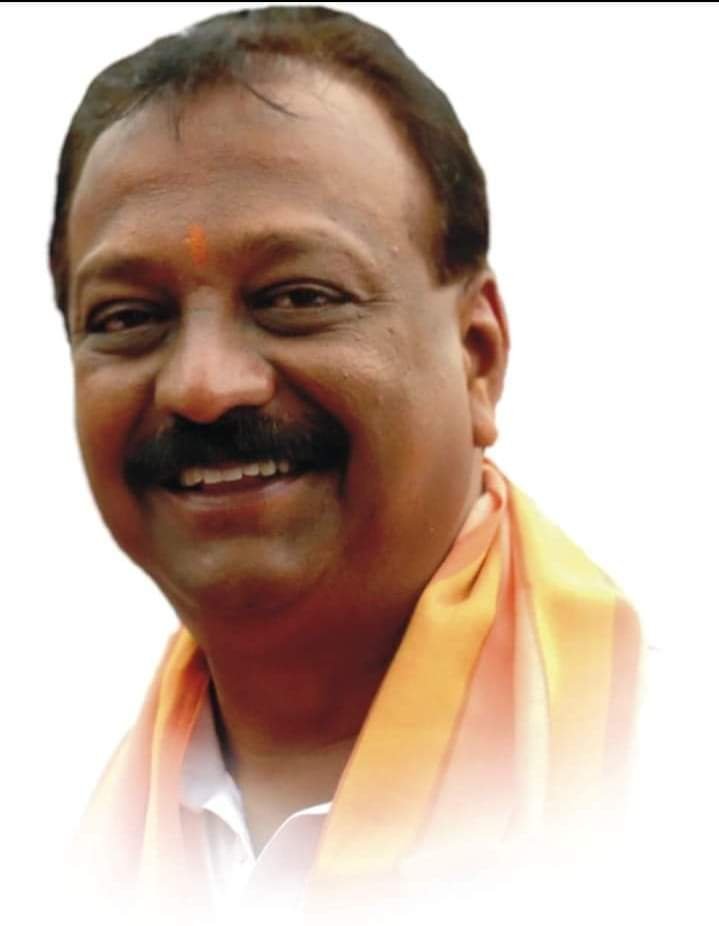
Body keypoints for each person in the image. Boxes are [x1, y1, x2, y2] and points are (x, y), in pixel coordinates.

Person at [50, 5, 640, 923]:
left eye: (297, 297)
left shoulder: (664, 783)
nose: (203, 387)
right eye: (128, 317)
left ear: (477, 357)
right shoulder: (72, 862)